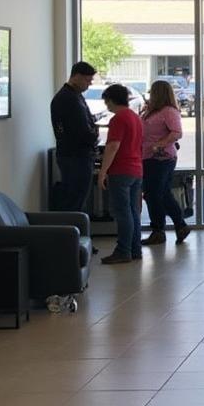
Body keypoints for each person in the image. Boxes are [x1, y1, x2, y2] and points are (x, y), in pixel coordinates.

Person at [140, 80, 190, 246]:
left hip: (161, 158)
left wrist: (159, 144)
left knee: (156, 194)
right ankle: (171, 227)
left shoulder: (168, 111)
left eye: (152, 92)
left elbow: (177, 132)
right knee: (157, 194)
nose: (149, 95)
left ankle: (165, 228)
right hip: (148, 157)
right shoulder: (152, 111)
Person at [97, 84, 143, 264]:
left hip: (121, 171)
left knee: (122, 212)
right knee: (133, 211)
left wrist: (103, 172)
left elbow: (113, 146)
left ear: (110, 100)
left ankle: (123, 250)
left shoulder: (118, 119)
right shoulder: (135, 117)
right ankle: (135, 249)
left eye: (106, 101)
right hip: (136, 169)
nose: (106, 105)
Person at [50, 61, 99, 212]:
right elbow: (83, 131)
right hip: (76, 156)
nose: (88, 85)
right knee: (75, 200)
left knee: (75, 198)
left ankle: (73, 233)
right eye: (87, 80)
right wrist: (94, 134)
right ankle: (71, 233)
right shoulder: (69, 99)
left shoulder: (73, 96)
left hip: (72, 155)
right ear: (77, 76)